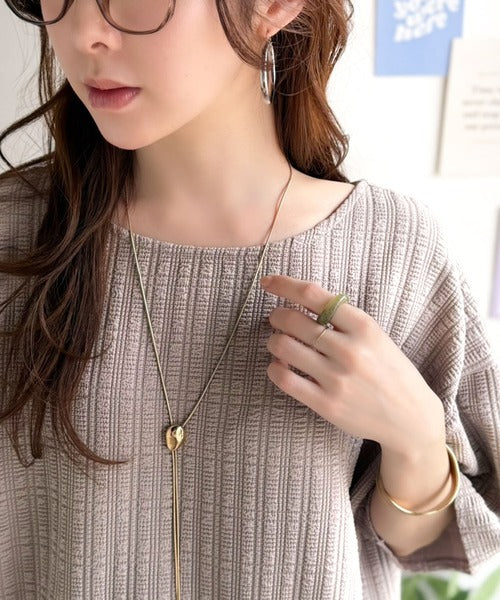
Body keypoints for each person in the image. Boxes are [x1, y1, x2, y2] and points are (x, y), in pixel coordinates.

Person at [0, 0, 498, 598]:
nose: (83, 34)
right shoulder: (13, 240)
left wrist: (415, 440)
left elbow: (433, 546)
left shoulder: (391, 249)